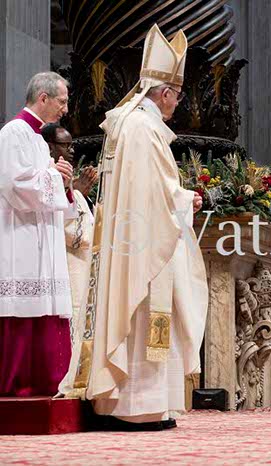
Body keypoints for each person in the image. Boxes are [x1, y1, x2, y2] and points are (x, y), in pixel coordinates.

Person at [85, 24, 208, 430]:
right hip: (141, 242)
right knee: (143, 316)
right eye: (178, 95)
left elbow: (146, 186)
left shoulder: (133, 123)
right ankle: (135, 407)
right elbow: (151, 192)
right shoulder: (143, 127)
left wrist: (178, 197)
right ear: (165, 93)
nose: (178, 103)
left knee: (150, 319)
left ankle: (152, 405)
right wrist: (184, 199)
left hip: (135, 238)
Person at [0, 72, 76, 396]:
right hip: (20, 237)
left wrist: (65, 183)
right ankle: (18, 385)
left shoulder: (37, 138)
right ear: (43, 98)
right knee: (23, 308)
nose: (65, 109)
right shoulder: (13, 133)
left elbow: (48, 187)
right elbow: (15, 185)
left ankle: (48, 382)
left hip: (42, 236)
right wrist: (55, 177)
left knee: (46, 307)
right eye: (62, 101)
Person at [41, 124, 99, 397]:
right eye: (66, 145)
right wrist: (77, 193)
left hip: (81, 265)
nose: (72, 150)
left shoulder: (67, 180)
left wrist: (78, 193)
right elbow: (76, 237)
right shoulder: (49, 178)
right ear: (50, 147)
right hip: (67, 264)